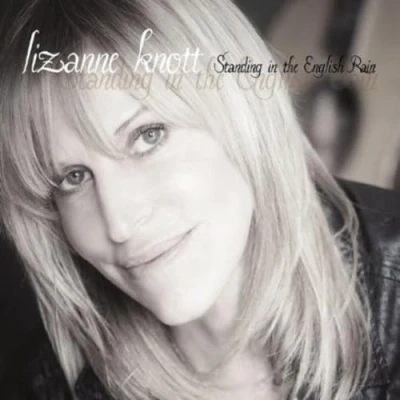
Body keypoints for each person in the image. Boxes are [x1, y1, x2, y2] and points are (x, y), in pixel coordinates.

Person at [0, 1, 399, 399]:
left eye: (148, 136)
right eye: (73, 177)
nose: (118, 223)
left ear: (243, 109)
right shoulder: (47, 385)